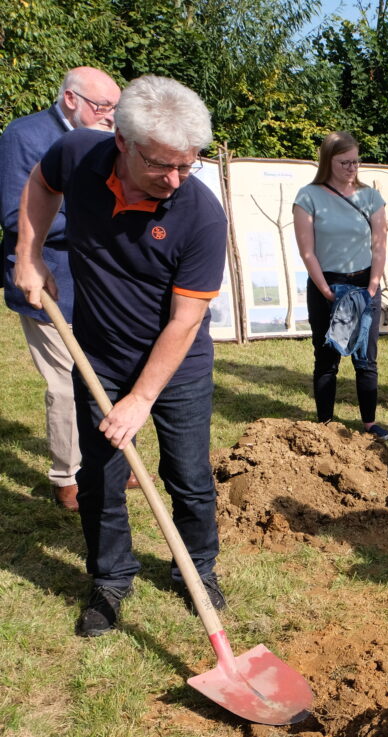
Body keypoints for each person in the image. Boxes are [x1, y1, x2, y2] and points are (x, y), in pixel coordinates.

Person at [14, 75, 230, 637]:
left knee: (187, 474)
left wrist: (140, 398)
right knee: (101, 477)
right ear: (122, 143)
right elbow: (41, 183)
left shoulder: (201, 215)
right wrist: (28, 254)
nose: (176, 178)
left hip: (176, 365)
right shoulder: (80, 152)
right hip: (100, 354)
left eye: (188, 164)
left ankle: (197, 570)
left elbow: (186, 321)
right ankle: (110, 579)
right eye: (162, 164)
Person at [1, 67, 122, 511]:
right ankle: (67, 477)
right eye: (103, 107)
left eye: (114, 108)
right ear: (71, 99)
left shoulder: (106, 140)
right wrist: (98, 222)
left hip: (97, 282)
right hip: (47, 278)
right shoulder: (25, 136)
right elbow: (18, 217)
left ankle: (106, 464)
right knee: (65, 383)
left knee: (102, 375)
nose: (110, 116)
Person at [293, 131, 388, 441]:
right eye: (344, 162)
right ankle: (325, 423)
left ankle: (370, 424)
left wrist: (373, 285)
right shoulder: (308, 196)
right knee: (326, 357)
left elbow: (379, 245)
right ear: (328, 161)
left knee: (366, 358)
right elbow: (307, 251)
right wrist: (325, 290)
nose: (352, 168)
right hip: (327, 284)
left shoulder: (371, 197)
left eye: (356, 161)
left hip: (365, 285)